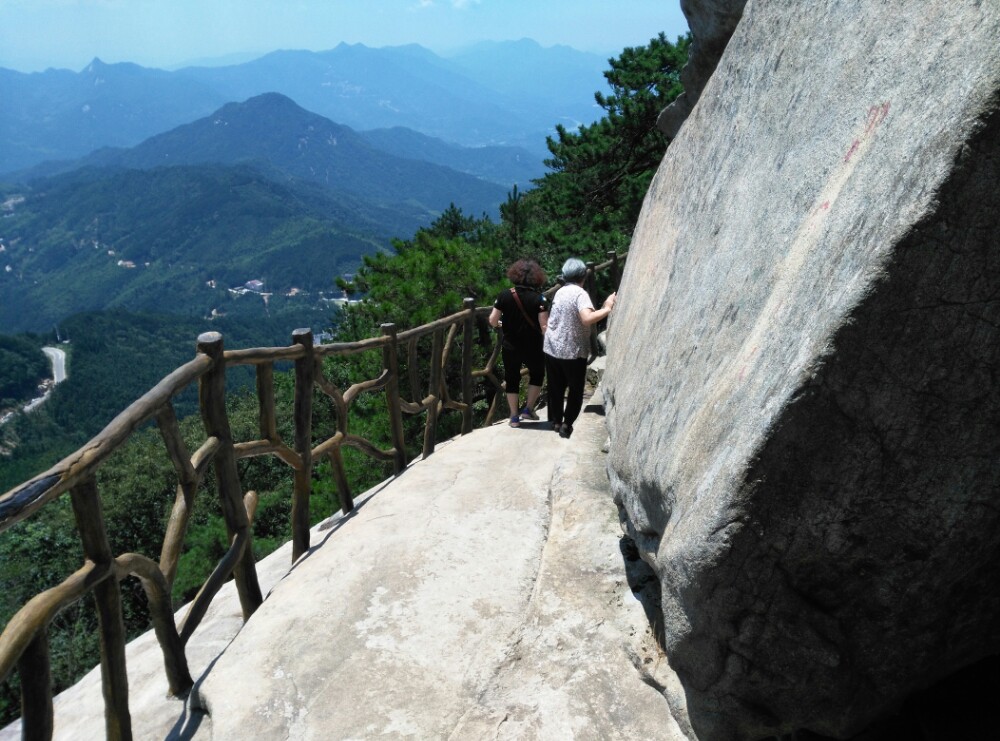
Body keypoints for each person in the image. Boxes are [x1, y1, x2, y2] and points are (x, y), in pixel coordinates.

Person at [543, 257, 615, 439]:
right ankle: (566, 425)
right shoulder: (580, 293)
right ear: (583, 275)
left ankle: (556, 421)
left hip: (552, 348)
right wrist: (607, 308)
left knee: (556, 388)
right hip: (572, 351)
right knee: (575, 390)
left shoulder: (560, 291)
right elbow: (586, 318)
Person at [489, 259, 549, 427]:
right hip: (534, 346)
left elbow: (493, 321)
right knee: (537, 374)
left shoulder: (504, 295)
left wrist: (502, 325)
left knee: (512, 378)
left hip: (510, 345)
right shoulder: (540, 299)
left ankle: (514, 417)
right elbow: (545, 327)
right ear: (536, 278)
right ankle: (528, 409)